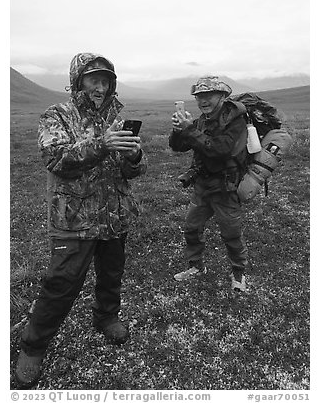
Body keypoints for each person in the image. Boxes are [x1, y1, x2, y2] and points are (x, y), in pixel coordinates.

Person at [15, 52, 147, 388]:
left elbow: (133, 171)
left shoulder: (117, 118)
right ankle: (33, 345)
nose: (100, 86)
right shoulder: (57, 115)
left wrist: (133, 156)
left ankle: (106, 317)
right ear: (79, 81)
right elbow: (56, 158)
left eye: (105, 80)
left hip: (115, 215)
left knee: (111, 274)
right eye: (93, 79)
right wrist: (101, 145)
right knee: (61, 283)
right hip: (73, 218)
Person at [169, 76, 248, 292]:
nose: (203, 101)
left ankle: (238, 274)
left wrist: (190, 130)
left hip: (226, 187)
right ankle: (196, 266)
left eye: (208, 96)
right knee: (191, 228)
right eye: (199, 97)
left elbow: (221, 149)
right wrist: (178, 130)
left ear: (222, 96)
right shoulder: (201, 121)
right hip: (203, 185)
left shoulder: (236, 121)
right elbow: (179, 147)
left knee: (231, 233)